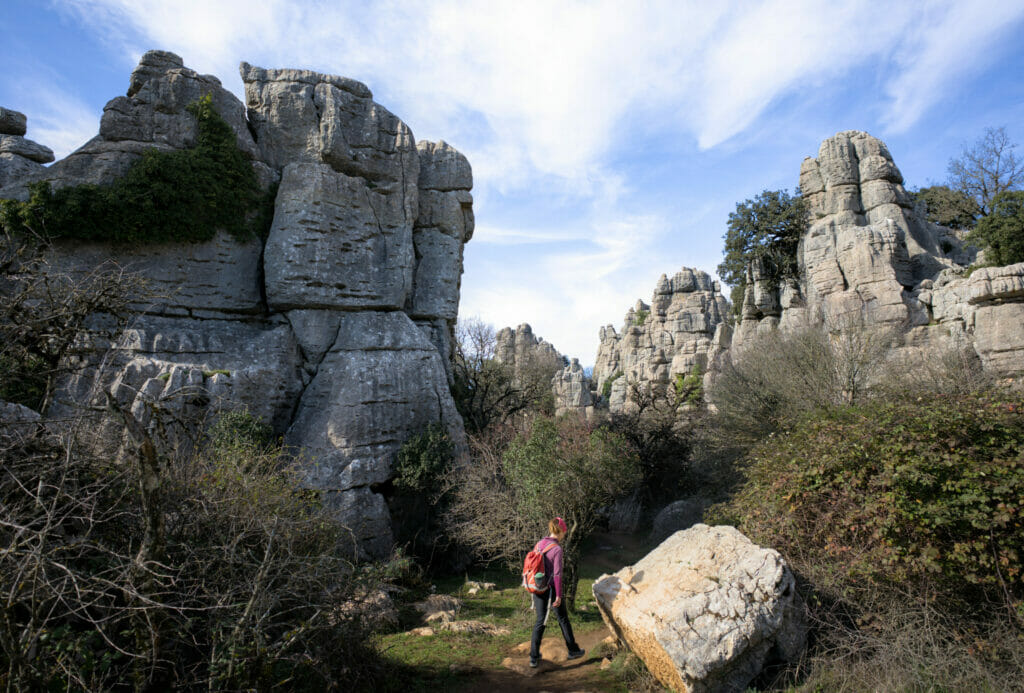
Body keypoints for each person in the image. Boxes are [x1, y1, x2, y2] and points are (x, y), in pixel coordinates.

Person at [529, 516, 585, 668]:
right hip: (551, 588)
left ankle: (533, 657)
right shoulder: (557, 549)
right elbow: (558, 575)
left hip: (537, 586)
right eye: (564, 532)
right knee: (563, 618)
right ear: (560, 531)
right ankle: (573, 651)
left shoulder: (540, 544)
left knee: (540, 620)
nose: (564, 535)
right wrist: (559, 595)